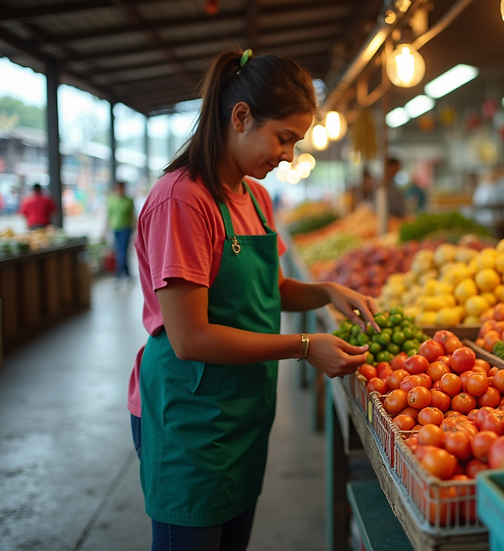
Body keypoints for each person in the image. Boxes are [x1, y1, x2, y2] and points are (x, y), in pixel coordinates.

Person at [127, 49, 378, 551]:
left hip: (241, 412)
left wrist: (327, 291)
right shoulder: (183, 201)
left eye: (295, 142)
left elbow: (270, 287)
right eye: (283, 138)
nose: (288, 155)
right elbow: (190, 338)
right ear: (241, 117)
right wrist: (305, 346)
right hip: (192, 417)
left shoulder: (254, 196)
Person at [104, 181, 135, 283]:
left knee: (121, 252)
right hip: (115, 229)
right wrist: (105, 229)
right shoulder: (112, 200)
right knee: (121, 252)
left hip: (126, 229)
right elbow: (109, 215)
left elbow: (133, 216)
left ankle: (118, 275)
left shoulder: (129, 200)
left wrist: (136, 229)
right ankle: (128, 275)